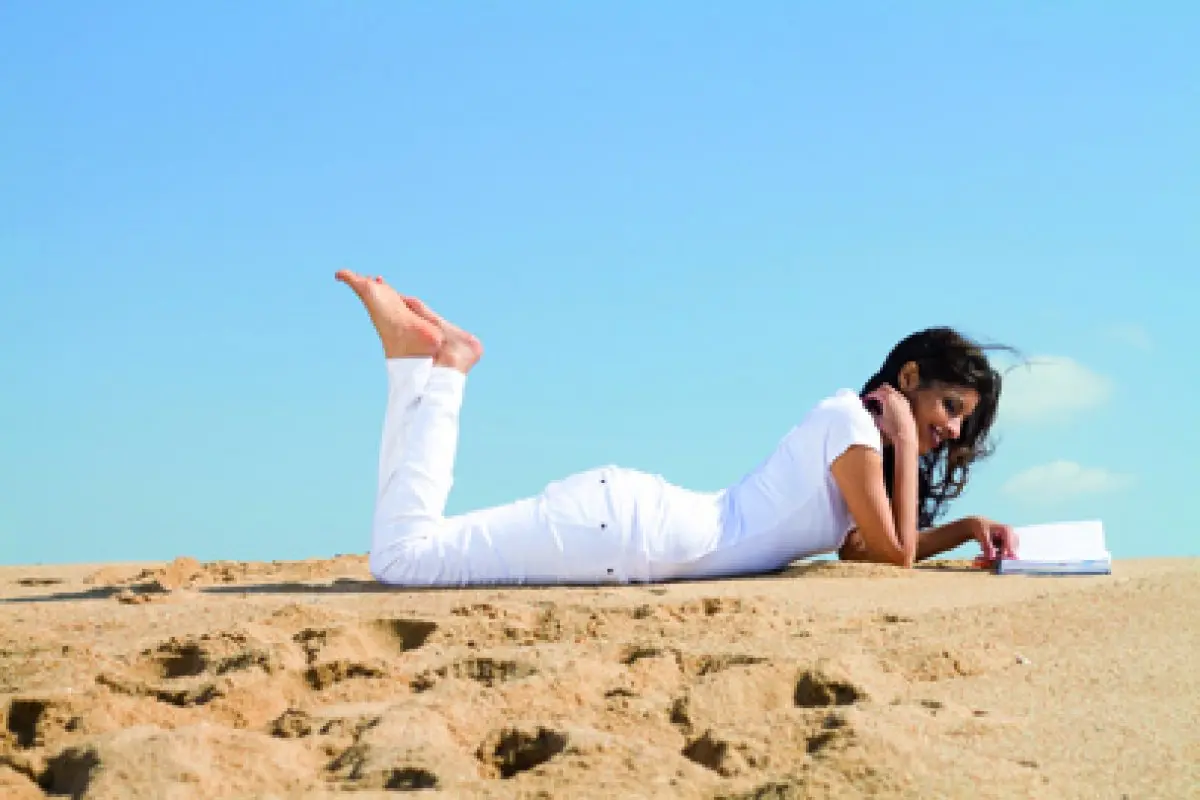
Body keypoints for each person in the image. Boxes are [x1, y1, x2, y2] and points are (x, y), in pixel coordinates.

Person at [335, 269, 1018, 587]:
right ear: (907, 378)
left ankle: (425, 362)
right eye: (949, 408)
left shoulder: (859, 444)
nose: (952, 431)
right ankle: (437, 366)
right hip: (626, 531)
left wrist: (965, 528)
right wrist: (906, 444)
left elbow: (864, 551)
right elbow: (896, 559)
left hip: (631, 531)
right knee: (403, 560)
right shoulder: (850, 423)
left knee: (408, 553)